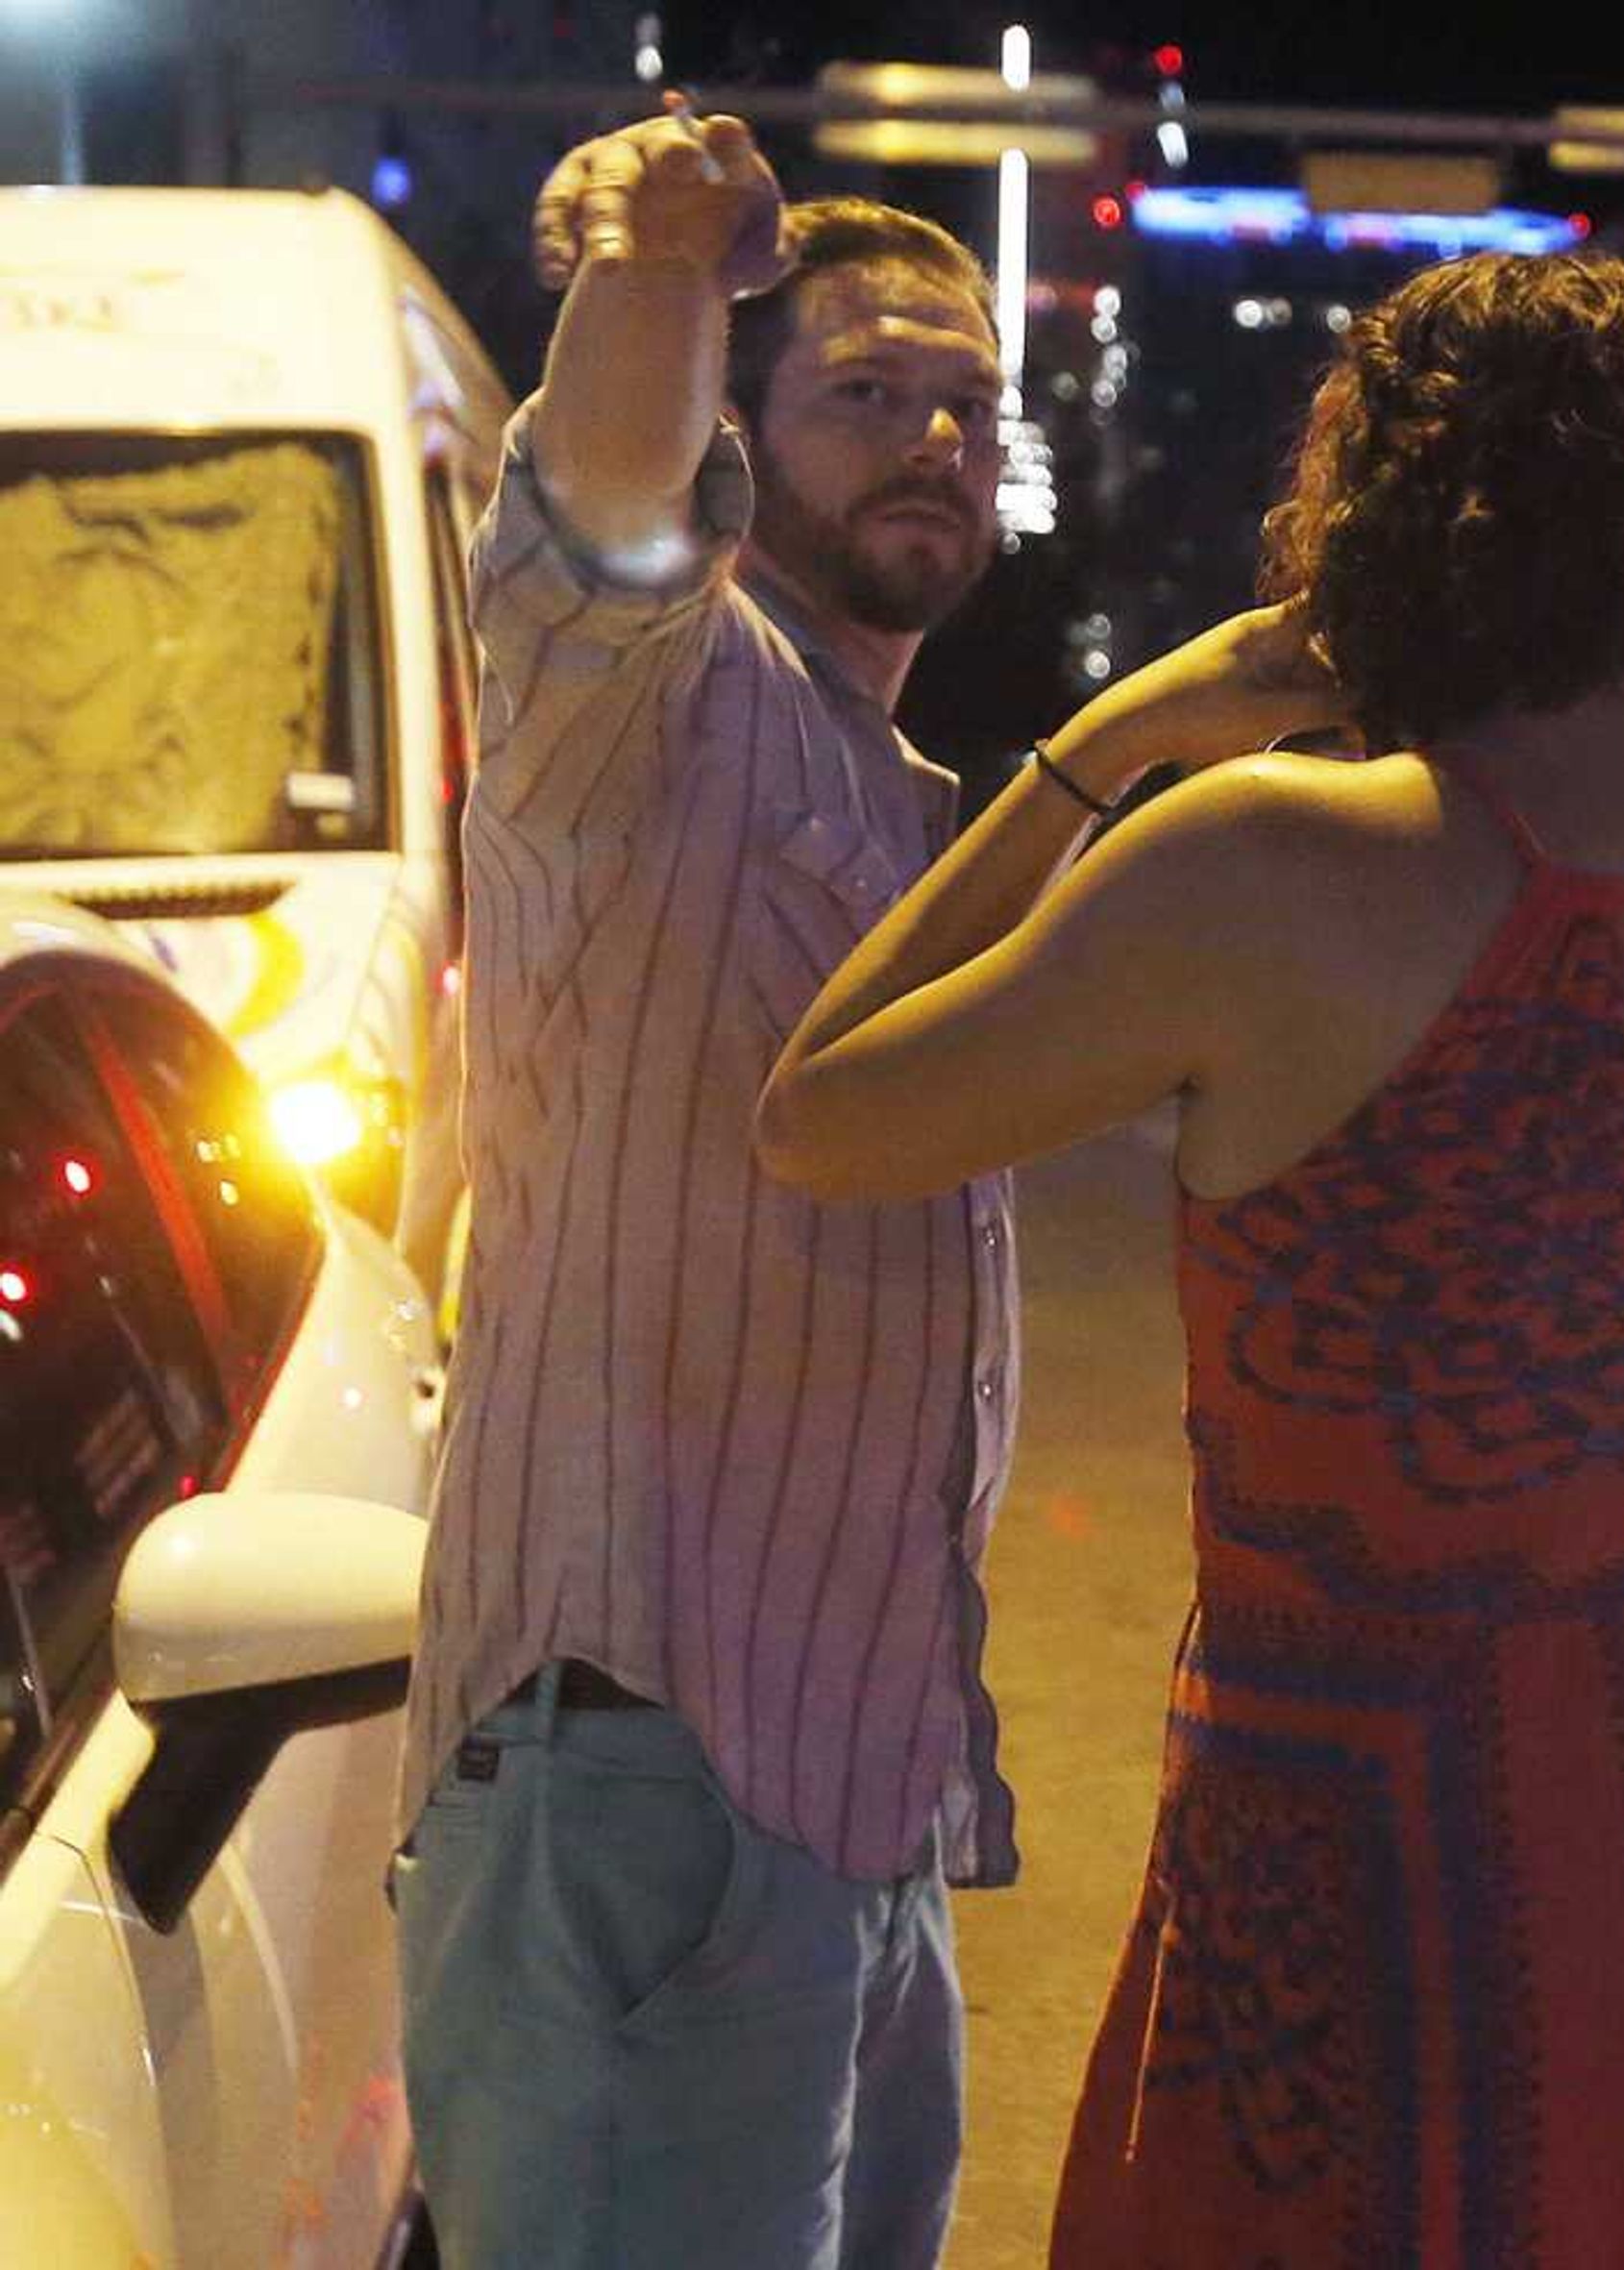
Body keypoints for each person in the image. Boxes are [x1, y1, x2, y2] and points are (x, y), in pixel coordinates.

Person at [754, 249, 1624, 2266]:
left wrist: (1117, 738)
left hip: (1363, 1892)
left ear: (1372, 534)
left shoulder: (1255, 866)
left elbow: (822, 1106)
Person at [395, 102, 1042, 2267]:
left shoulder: (905, 791)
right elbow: (603, 499)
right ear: (745, 441)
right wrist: (669, 252)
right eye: (866, 393)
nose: (935, 437)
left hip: (858, 1803)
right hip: (641, 1767)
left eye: (972, 403)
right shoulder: (644, 693)